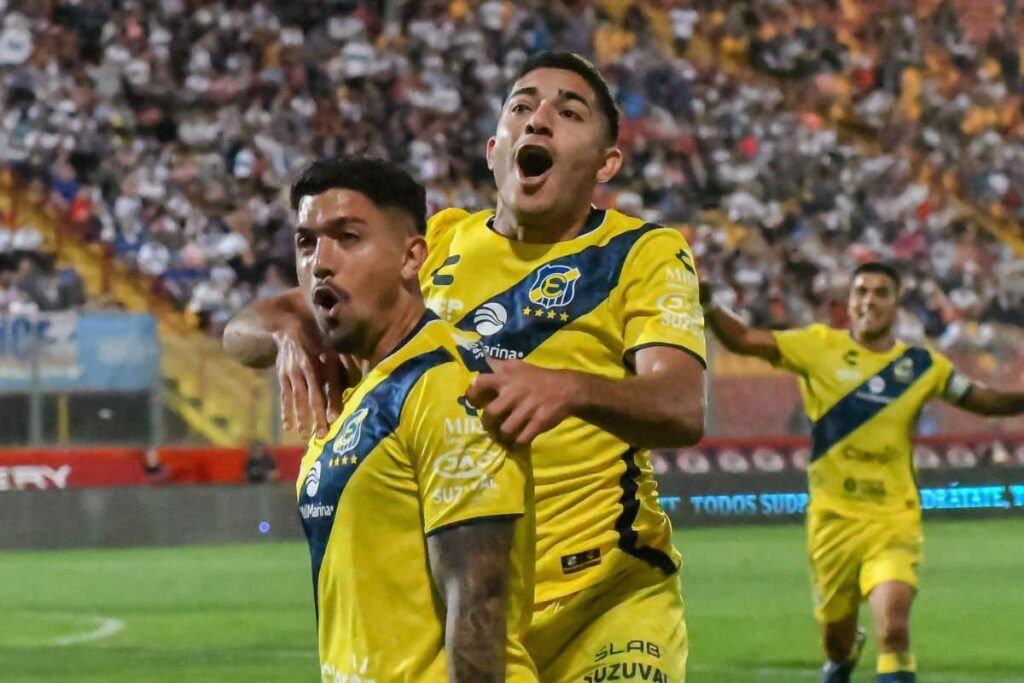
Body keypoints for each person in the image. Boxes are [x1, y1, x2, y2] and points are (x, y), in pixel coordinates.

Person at [224, 52, 706, 681]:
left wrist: (570, 389)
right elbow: (243, 329)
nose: (539, 120)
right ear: (493, 147)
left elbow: (679, 406)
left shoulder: (639, 253)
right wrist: (289, 330)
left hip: (607, 600)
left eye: (569, 111)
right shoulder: (440, 242)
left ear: (606, 162)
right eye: (522, 106)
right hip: (470, 601)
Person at [278, 156, 536, 682]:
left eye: (347, 237)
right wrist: (283, 334)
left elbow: (479, 597)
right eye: (307, 243)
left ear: (410, 257)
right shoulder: (367, 386)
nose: (321, 263)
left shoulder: (446, 383)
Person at [702, 261, 1024, 683]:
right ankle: (843, 654)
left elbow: (984, 401)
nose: (869, 300)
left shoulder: (922, 367)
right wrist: (709, 306)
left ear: (896, 305)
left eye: (880, 293)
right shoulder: (817, 346)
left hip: (893, 518)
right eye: (862, 292)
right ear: (849, 303)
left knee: (893, 628)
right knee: (835, 641)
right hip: (832, 522)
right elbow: (744, 340)